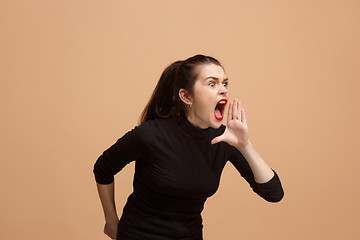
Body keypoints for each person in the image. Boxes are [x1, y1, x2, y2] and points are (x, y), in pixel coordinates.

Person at [93, 54, 284, 240]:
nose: (224, 90)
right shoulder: (151, 134)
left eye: (224, 83)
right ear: (186, 96)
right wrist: (111, 221)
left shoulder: (225, 139)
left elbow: (274, 194)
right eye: (212, 83)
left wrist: (244, 145)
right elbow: (103, 169)